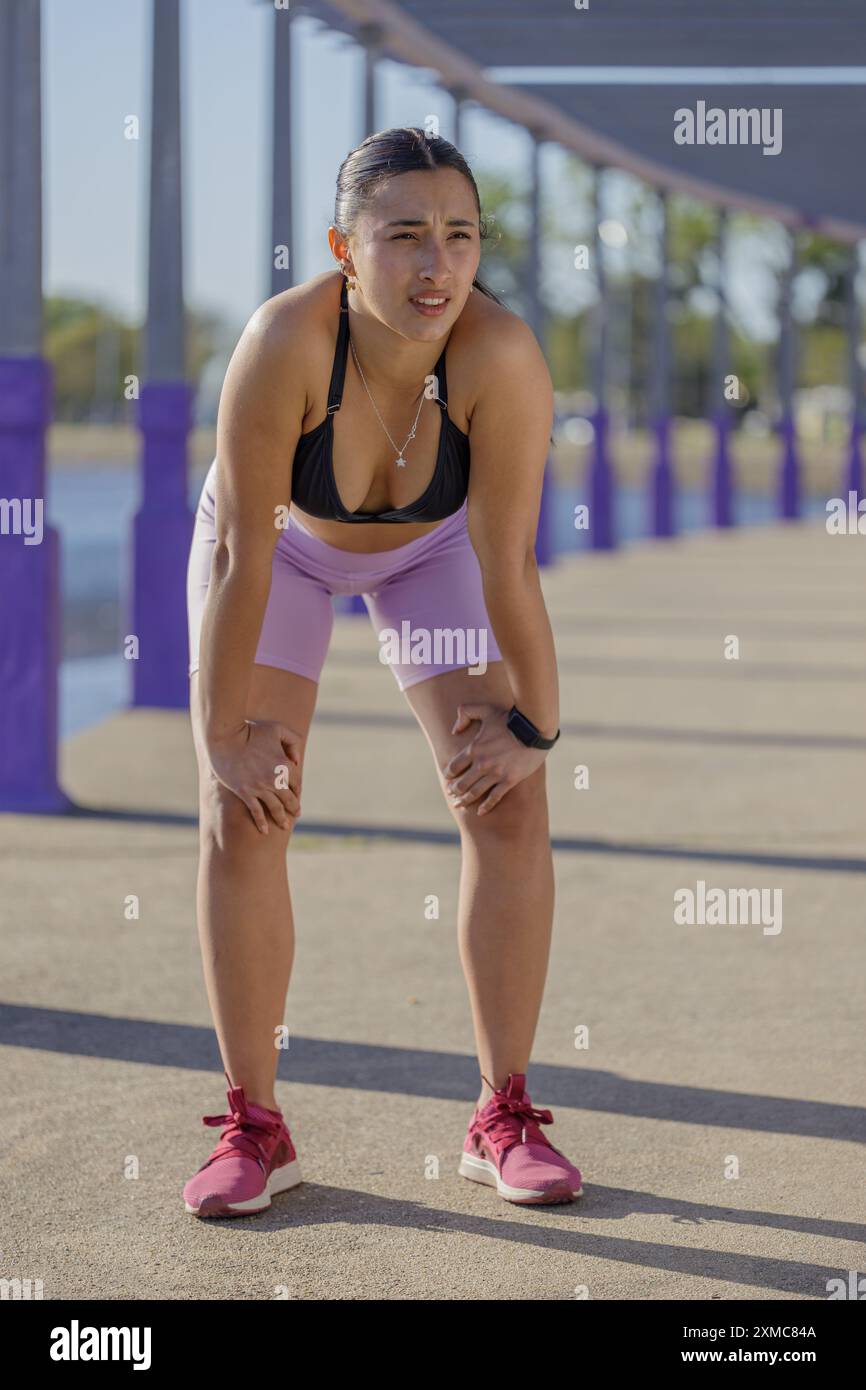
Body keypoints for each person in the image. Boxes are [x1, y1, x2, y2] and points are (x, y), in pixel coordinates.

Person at [182, 126, 583, 1217]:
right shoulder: (283, 342)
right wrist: (222, 736)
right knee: (244, 809)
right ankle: (254, 1127)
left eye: (459, 237)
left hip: (432, 556)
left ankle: (500, 1112)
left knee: (507, 800)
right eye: (403, 235)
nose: (435, 264)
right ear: (343, 249)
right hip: (281, 555)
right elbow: (240, 555)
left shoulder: (498, 355)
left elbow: (506, 562)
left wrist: (534, 733)